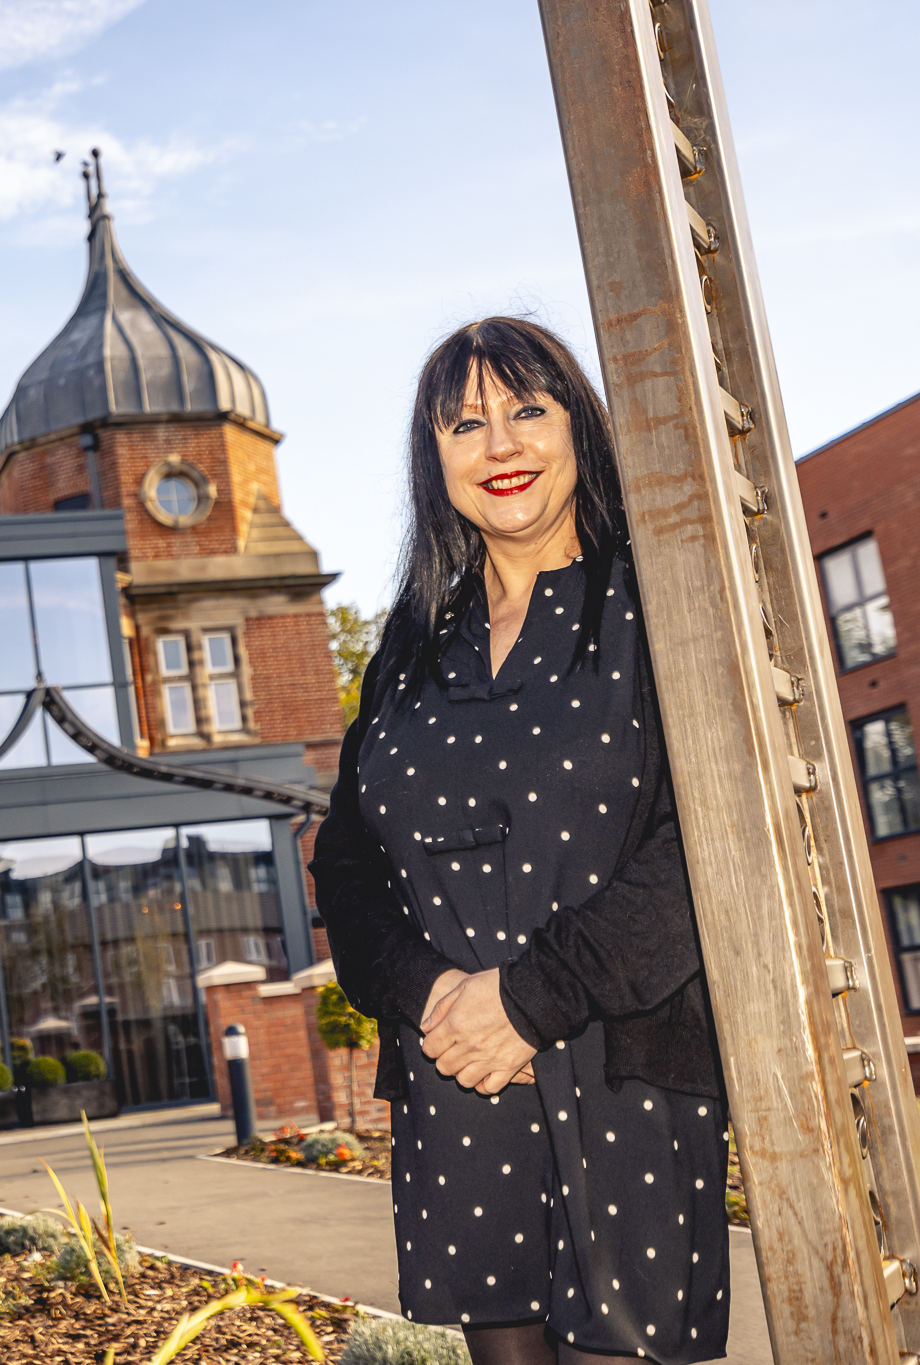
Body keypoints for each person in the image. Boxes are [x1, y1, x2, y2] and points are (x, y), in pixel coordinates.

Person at [310, 317, 729, 1365]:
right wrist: (427, 995)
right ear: (432, 460)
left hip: (624, 1060)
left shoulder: (664, 606)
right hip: (457, 1075)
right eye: (464, 423)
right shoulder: (408, 649)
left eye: (525, 410)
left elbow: (710, 842)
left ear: (575, 428)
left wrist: (527, 999)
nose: (499, 445)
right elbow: (347, 863)